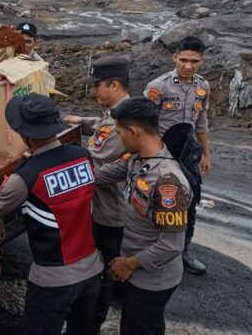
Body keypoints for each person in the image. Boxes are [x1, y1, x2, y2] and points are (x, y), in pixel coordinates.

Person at [0, 94, 101, 335]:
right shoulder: (82, 156)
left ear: (25, 134)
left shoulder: (26, 176)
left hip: (53, 281)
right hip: (92, 270)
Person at [94, 97, 192, 335]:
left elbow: (172, 245)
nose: (119, 138)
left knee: (141, 328)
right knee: (131, 324)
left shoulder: (168, 183)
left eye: (119, 133)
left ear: (134, 131)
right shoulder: (137, 160)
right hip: (135, 268)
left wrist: (128, 264)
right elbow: (98, 175)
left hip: (152, 279)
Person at [63, 56, 131, 331]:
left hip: (107, 211)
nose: (93, 92)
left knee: (102, 274)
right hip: (101, 206)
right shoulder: (118, 112)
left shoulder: (121, 121)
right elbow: (103, 124)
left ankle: (92, 323)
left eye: (97, 86)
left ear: (114, 85)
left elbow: (92, 159)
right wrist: (83, 120)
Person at [143, 36, 209, 275]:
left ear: (202, 60)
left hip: (188, 153)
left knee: (190, 201)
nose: (188, 66)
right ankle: (152, 250)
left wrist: (206, 154)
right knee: (156, 199)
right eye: (183, 60)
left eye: (194, 61)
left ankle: (184, 251)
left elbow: (201, 122)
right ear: (174, 58)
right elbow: (144, 123)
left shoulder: (203, 87)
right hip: (160, 152)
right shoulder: (158, 87)